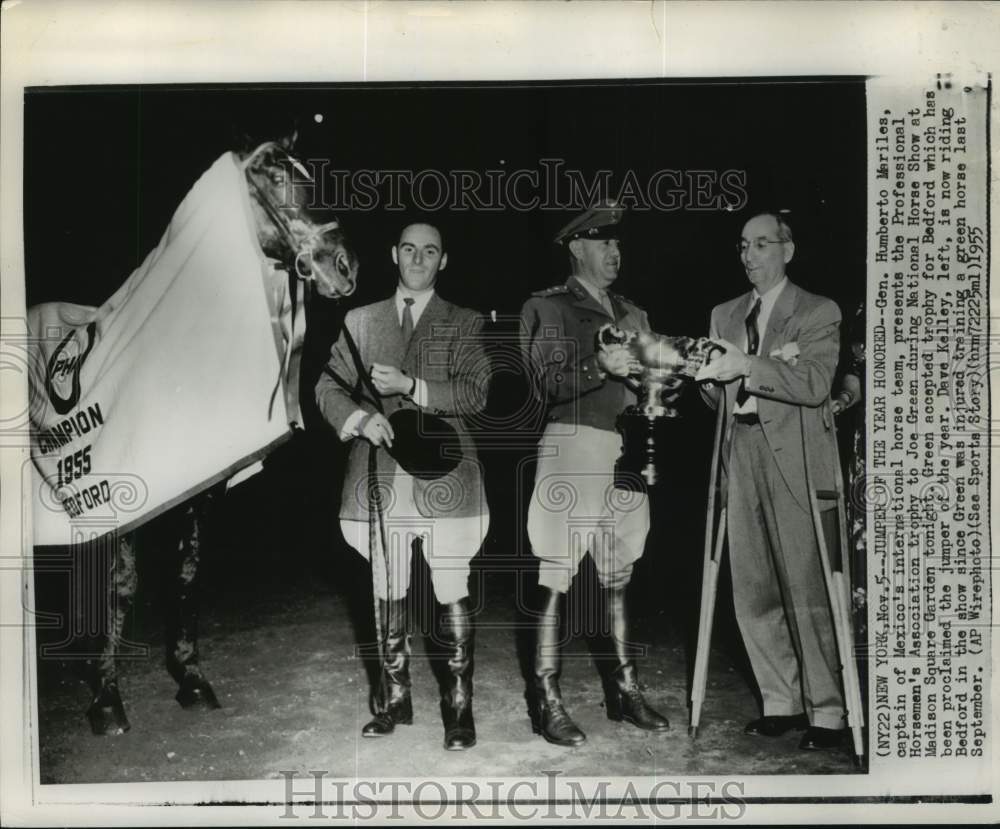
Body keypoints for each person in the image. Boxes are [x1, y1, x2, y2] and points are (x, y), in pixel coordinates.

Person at [315, 221, 489, 751]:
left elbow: (478, 392)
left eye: (430, 250)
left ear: (443, 260)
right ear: (394, 254)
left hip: (446, 478)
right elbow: (327, 386)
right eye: (409, 249)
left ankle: (458, 709)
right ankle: (395, 700)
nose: (418, 258)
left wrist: (413, 386)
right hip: (381, 479)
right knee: (386, 587)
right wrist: (360, 420)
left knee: (450, 589)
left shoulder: (464, 322)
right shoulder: (358, 321)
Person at [519, 201, 670, 748]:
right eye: (604, 243)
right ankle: (546, 698)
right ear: (577, 247)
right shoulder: (548, 307)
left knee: (619, 570)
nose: (616, 252)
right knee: (557, 572)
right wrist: (597, 365)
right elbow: (541, 386)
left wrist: (667, 376)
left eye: (619, 244)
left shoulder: (635, 314)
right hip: (573, 444)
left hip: (626, 449)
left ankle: (624, 690)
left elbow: (653, 382)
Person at [695, 210, 846, 751]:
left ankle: (828, 710)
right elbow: (717, 398)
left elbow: (813, 383)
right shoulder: (724, 313)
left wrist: (747, 366)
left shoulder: (816, 310)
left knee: (805, 586)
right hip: (741, 452)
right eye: (742, 246)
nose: (749, 256)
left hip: (795, 458)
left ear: (788, 249)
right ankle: (779, 702)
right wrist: (705, 379)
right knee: (753, 586)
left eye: (761, 244)